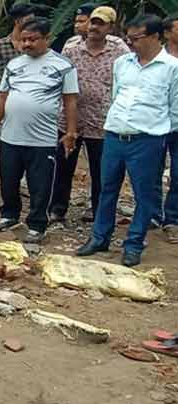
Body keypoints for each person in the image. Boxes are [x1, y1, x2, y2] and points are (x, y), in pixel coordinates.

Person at [76, 15, 178, 266]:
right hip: (114, 135)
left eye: (136, 38)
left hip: (147, 140)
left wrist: (158, 134)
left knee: (143, 195)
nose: (131, 43)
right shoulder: (123, 63)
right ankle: (100, 237)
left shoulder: (172, 68)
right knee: (106, 188)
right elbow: (116, 95)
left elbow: (175, 109)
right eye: (129, 38)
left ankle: (133, 243)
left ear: (155, 37)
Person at [0, 17, 78, 243]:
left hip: (43, 139)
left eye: (32, 39)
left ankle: (37, 224)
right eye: (24, 39)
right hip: (11, 136)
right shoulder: (15, 65)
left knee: (40, 185)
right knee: (8, 180)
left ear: (47, 39)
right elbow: (3, 97)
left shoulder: (63, 66)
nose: (26, 44)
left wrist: (70, 132)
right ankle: (9, 214)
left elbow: (70, 101)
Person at [50, 7, 130, 223]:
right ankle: (58, 208)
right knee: (63, 165)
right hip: (69, 118)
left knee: (100, 169)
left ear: (110, 27)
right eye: (92, 22)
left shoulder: (119, 50)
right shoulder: (72, 47)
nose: (93, 27)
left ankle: (98, 211)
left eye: (100, 23)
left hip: (102, 120)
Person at [0, 4, 38, 195]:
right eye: (29, 19)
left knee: (22, 141)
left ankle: (19, 182)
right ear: (18, 21)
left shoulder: (32, 46)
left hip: (24, 100)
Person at [157, 14, 178, 242]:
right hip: (156, 124)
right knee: (152, 172)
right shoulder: (156, 59)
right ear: (167, 33)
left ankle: (172, 219)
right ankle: (152, 215)